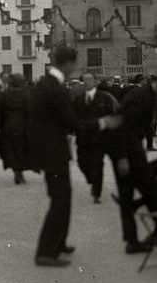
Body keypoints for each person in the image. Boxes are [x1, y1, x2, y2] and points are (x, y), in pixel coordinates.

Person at [29, 47, 119, 267]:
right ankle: (46, 252)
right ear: (67, 64)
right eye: (74, 64)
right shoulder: (56, 89)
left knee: (63, 198)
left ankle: (59, 243)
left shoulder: (44, 84)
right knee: (60, 201)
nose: (75, 69)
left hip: (50, 151)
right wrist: (102, 123)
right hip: (54, 152)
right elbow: (72, 123)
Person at [110, 69, 157, 254]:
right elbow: (119, 127)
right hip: (123, 149)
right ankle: (139, 239)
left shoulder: (149, 95)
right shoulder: (140, 97)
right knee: (137, 191)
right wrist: (122, 158)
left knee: (149, 188)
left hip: (132, 147)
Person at [72, 72, 118, 203]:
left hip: (99, 138)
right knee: (82, 163)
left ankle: (96, 192)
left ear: (96, 82)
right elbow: (72, 117)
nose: (86, 82)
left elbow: (112, 115)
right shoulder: (78, 100)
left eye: (89, 79)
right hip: (82, 138)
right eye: (84, 80)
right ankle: (92, 179)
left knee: (97, 164)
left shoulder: (104, 98)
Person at [0, 73, 31, 185]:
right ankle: (20, 171)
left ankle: (16, 170)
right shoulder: (26, 95)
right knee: (21, 149)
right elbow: (29, 111)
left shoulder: (5, 95)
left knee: (11, 149)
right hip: (22, 125)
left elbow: (0, 111)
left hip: (8, 124)